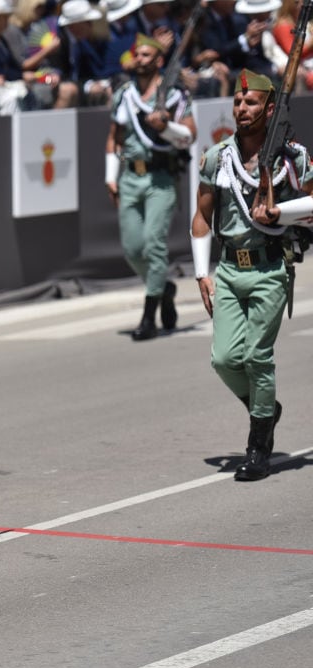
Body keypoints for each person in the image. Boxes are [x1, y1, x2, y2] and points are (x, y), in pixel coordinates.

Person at [191, 69, 313, 480]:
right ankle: (266, 409)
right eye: (239, 103)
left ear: (270, 108)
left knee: (256, 357)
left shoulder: (290, 156)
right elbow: (202, 217)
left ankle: (258, 445)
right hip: (228, 269)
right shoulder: (217, 157)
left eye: (252, 103)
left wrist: (283, 212)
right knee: (224, 359)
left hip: (269, 267)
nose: (242, 109)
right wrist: (201, 274)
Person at [105, 33, 196, 341]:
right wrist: (110, 176)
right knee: (133, 248)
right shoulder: (124, 94)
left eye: (146, 55)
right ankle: (165, 288)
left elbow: (189, 136)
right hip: (130, 177)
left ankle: (149, 315)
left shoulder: (174, 95)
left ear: (158, 61)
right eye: (137, 55)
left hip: (161, 178)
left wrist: (165, 126)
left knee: (153, 242)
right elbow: (114, 138)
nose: (139, 60)